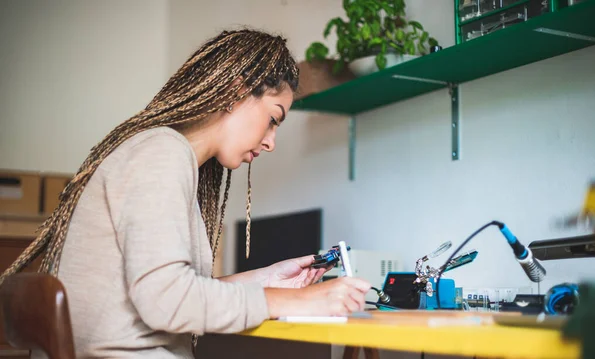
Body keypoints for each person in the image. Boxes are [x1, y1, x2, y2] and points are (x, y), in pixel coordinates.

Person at [0, 29, 370, 358]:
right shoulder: (160, 154)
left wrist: (266, 279)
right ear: (236, 92)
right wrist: (295, 300)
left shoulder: (164, 156)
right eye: (273, 118)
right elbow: (167, 303)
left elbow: (168, 290)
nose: (271, 141)